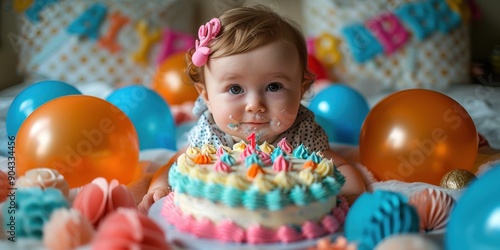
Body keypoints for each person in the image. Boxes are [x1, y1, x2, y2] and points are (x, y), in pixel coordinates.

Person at [138, 5, 366, 213]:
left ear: (301, 89)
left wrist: (352, 195)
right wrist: (159, 188)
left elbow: (341, 166)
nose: (255, 104)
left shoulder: (301, 134)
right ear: (206, 96)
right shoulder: (210, 136)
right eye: (235, 89)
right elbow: (173, 167)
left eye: (274, 86)